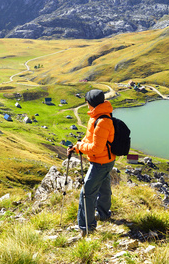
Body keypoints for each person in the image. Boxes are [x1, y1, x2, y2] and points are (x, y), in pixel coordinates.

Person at [67, 89, 116, 237]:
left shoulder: (101, 121)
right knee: (104, 187)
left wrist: (80, 148)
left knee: (87, 193)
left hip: (101, 162)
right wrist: (78, 146)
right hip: (106, 160)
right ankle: (103, 213)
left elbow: (96, 148)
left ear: (90, 103)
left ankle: (86, 227)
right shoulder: (98, 116)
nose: (86, 103)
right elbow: (91, 139)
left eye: (87, 100)